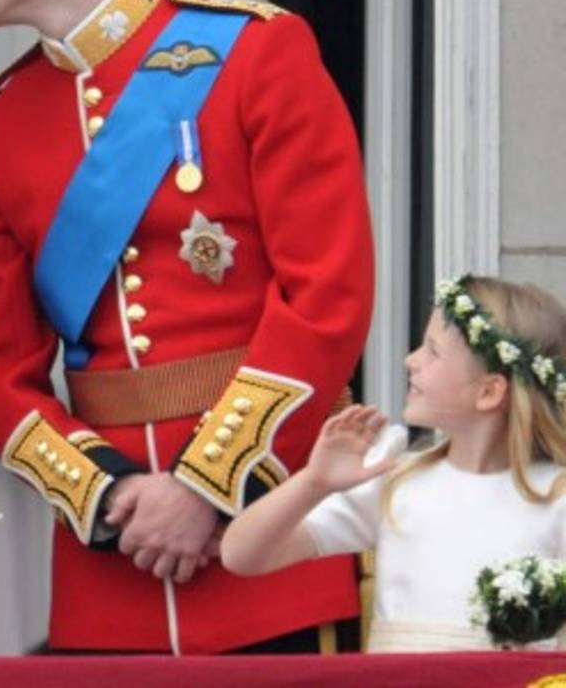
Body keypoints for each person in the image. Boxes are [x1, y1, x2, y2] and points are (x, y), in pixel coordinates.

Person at [0, 0, 374, 653]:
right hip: (113, 568)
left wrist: (207, 487)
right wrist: (110, 498)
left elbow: (328, 298)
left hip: (269, 533)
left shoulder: (254, 53)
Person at [222, 275, 566, 652]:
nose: (411, 360)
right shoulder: (394, 480)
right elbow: (242, 555)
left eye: (432, 351)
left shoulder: (556, 498)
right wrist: (314, 482)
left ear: (488, 392)